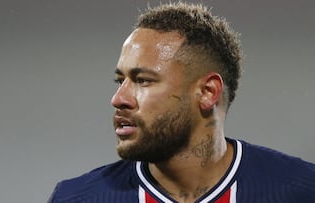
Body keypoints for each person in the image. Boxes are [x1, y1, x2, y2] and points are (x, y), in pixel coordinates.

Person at [48, 2, 315, 203]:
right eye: (121, 81)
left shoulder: (301, 190)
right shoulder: (77, 198)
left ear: (208, 92)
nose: (119, 99)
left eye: (143, 80)